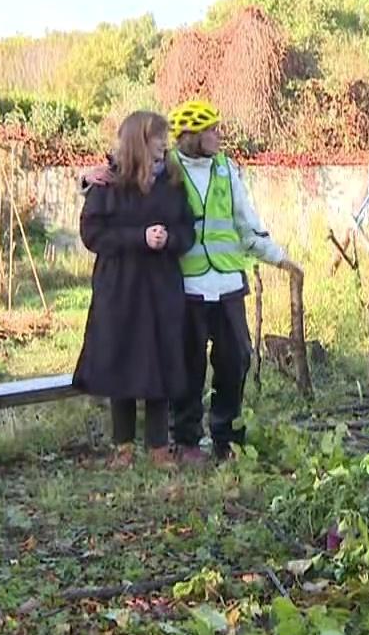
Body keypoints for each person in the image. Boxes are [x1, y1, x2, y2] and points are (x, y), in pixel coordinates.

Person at [92, 100, 301, 462]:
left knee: (236, 358)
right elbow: (122, 175)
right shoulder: (168, 167)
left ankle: (227, 438)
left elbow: (245, 222)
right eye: (211, 130)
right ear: (191, 135)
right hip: (186, 285)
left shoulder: (226, 169)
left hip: (228, 280)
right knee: (188, 364)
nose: (219, 135)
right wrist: (87, 178)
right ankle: (187, 440)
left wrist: (279, 257)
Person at [72, 111, 195, 467]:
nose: (164, 143)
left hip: (160, 286)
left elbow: (188, 229)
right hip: (120, 286)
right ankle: (122, 447)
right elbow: (92, 233)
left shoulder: (171, 180)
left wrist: (170, 239)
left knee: (160, 359)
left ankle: (158, 446)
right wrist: (138, 238)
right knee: (121, 361)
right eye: (159, 137)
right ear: (140, 140)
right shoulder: (108, 182)